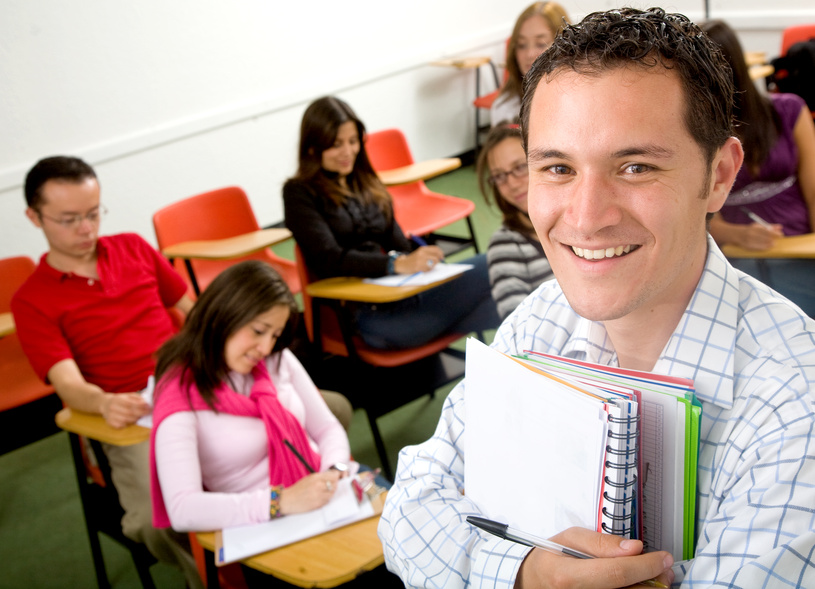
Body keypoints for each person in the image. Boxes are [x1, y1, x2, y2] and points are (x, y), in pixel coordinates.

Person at [379, 8, 815, 588]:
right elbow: (408, 506)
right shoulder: (541, 318)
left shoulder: (795, 407)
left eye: (635, 167)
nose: (585, 218)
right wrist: (529, 576)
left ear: (718, 176)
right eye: (557, 167)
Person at [11, 156, 203, 588]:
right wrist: (105, 403)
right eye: (68, 219)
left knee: (318, 414)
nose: (86, 229)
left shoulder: (134, 247)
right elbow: (68, 384)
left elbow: (192, 313)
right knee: (159, 523)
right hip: (128, 416)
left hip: (190, 385)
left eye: (94, 213)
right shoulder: (32, 300)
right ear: (34, 217)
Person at [149, 261, 395, 587]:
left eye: (275, 334)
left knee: (412, 541)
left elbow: (327, 427)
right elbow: (183, 508)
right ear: (224, 315)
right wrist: (282, 501)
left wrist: (333, 468)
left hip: (325, 494)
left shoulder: (276, 358)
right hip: (265, 523)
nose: (265, 348)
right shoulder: (179, 394)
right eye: (258, 330)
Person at [283, 96, 500, 350]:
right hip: (373, 317)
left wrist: (422, 256)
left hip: (407, 298)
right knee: (492, 268)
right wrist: (395, 263)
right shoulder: (298, 192)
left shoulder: (365, 182)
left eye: (353, 142)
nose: (348, 152)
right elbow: (329, 259)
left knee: (497, 295)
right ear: (312, 147)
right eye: (335, 144)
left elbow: (397, 241)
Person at [701, 19, 815, 317]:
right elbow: (690, 214)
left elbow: (814, 191)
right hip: (735, 258)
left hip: (803, 251)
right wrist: (736, 235)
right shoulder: (695, 132)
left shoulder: (790, 109)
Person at [477, 123, 554, 319]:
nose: (511, 184)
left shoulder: (583, 219)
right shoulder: (505, 245)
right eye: (499, 176)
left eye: (520, 167)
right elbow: (518, 325)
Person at [491, 1, 571, 126]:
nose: (529, 54)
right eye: (521, 45)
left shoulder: (579, 99)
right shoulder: (505, 108)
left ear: (565, 44)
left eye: (540, 43)